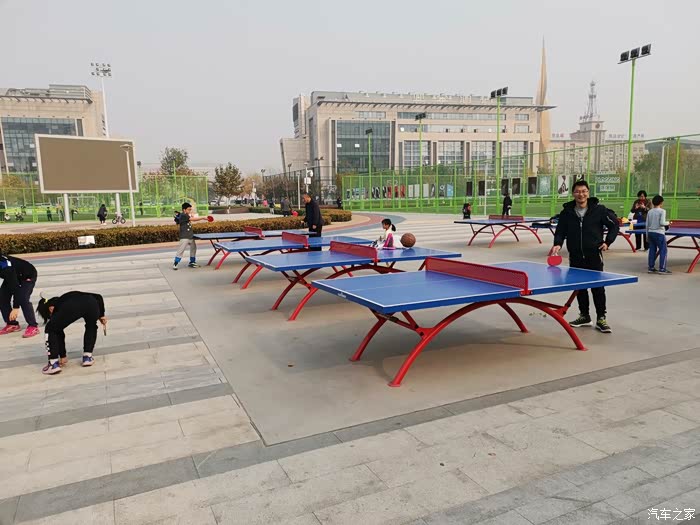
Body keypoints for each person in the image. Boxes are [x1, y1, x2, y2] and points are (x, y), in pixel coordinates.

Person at [551, 179, 619, 333]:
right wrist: (558, 244)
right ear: (573, 193)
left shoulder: (599, 210)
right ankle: (584, 316)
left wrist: (608, 242)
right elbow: (560, 231)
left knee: (597, 287)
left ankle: (601, 318)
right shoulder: (567, 212)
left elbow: (614, 225)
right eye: (577, 191)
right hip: (575, 256)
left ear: (588, 193)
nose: (580, 194)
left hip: (593, 255)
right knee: (580, 287)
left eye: (583, 191)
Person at [36, 292, 107, 375]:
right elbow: (98, 296)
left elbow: (58, 331)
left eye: (49, 315)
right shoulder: (65, 298)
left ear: (50, 309)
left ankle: (53, 364)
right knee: (91, 325)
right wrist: (101, 315)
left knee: (50, 329)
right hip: (92, 303)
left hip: (74, 306)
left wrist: (63, 355)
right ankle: (87, 357)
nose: (51, 317)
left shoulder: (58, 307)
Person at [0, 253, 40, 338]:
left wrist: (16, 307)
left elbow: (15, 288)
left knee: (23, 298)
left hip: (27, 275)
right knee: (2, 298)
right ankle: (12, 324)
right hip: (13, 276)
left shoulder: (6, 266)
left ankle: (33, 326)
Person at [173, 202, 209, 270]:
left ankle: (192, 262)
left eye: (190, 209)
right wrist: (203, 217)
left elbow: (190, 218)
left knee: (193, 248)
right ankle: (175, 263)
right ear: (184, 210)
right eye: (189, 209)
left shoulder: (186, 215)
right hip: (184, 237)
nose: (190, 211)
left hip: (190, 236)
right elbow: (193, 219)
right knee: (181, 250)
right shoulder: (183, 215)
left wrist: (191, 215)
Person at [646, 195, 672, 275]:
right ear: (661, 202)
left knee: (652, 250)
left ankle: (651, 268)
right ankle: (662, 269)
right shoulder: (662, 211)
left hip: (651, 232)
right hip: (659, 233)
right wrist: (669, 223)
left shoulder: (650, 211)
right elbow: (662, 223)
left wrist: (647, 235)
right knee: (663, 250)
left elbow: (647, 224)